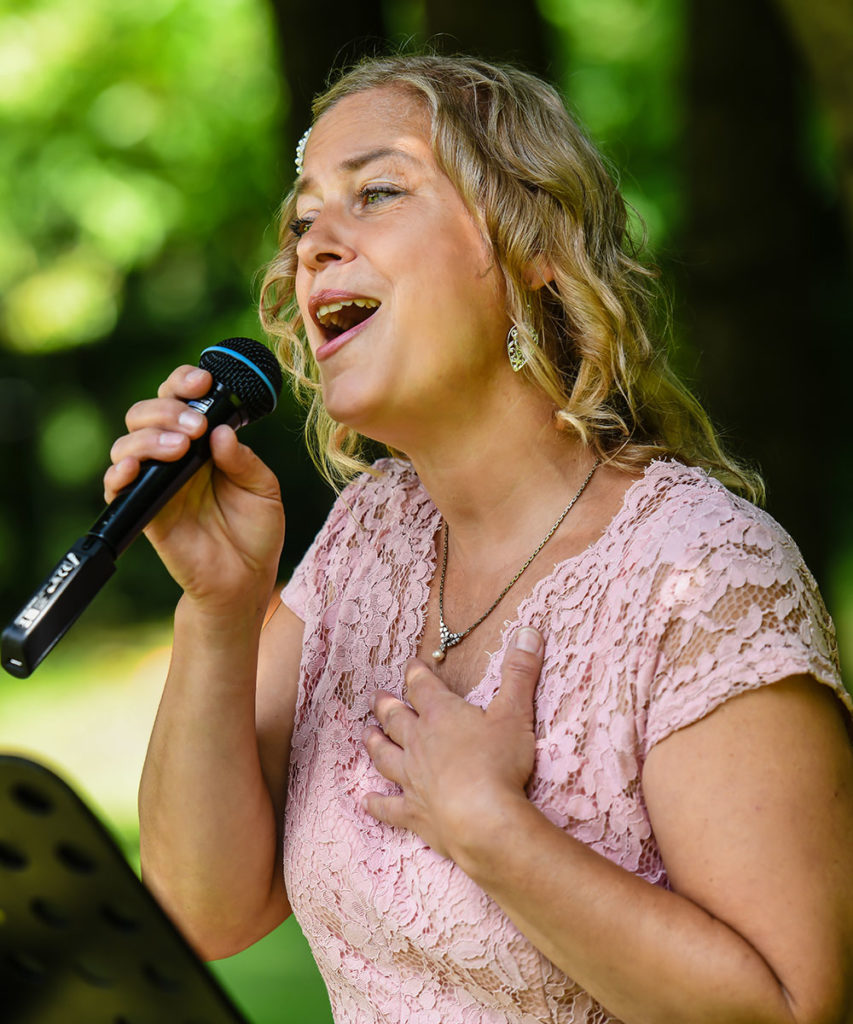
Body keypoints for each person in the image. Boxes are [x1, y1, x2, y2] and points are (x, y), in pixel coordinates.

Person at [104, 54, 853, 1024]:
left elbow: (797, 1010)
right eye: (301, 222)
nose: (313, 246)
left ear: (531, 245)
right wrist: (218, 610)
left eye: (376, 191)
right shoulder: (369, 540)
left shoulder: (700, 571)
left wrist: (493, 830)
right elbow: (203, 910)